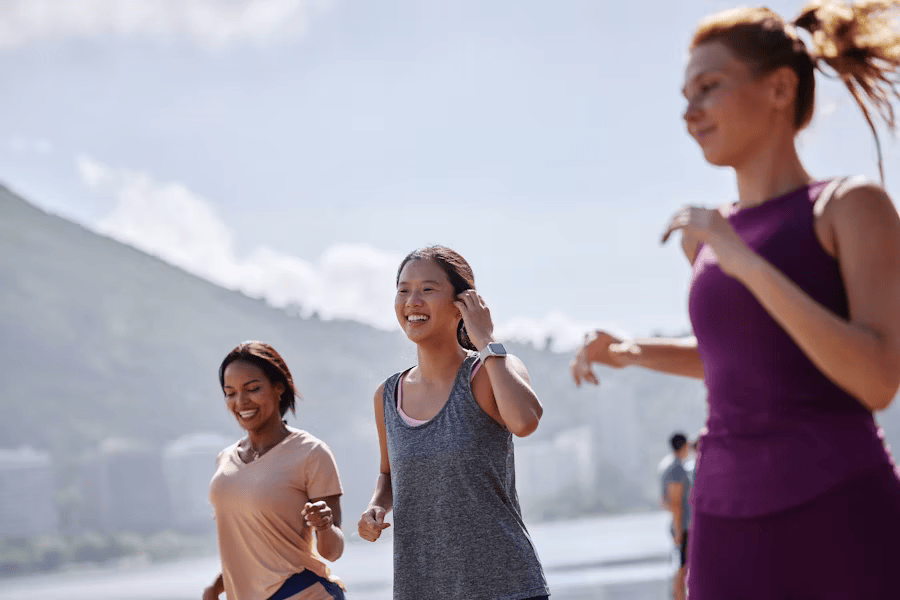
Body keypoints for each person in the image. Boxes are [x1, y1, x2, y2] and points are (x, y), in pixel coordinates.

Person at [571, 2, 900, 597]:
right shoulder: (707, 241)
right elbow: (746, 358)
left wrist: (743, 260)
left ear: (779, 89)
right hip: (723, 518)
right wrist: (633, 349)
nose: (689, 112)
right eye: (684, 94)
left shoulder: (852, 207)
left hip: (839, 504)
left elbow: (877, 379)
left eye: (709, 87)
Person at [357, 246, 550, 600]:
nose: (412, 301)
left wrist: (487, 341)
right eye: (403, 290)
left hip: (506, 588)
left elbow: (525, 422)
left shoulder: (492, 369)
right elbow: (388, 475)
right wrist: (377, 506)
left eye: (428, 289)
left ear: (463, 302)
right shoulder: (387, 395)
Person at [204, 341, 346, 600]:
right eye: (230, 392)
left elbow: (333, 551)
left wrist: (324, 526)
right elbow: (247, 546)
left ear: (278, 387)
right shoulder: (224, 462)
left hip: (304, 593)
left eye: (253, 389)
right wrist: (215, 588)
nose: (241, 401)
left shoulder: (311, 453)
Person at [660, 433, 692, 600]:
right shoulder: (676, 469)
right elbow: (675, 502)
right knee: (681, 568)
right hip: (682, 526)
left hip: (680, 524)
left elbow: (664, 502)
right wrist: (679, 531)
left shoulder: (669, 467)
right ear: (683, 445)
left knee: (682, 567)